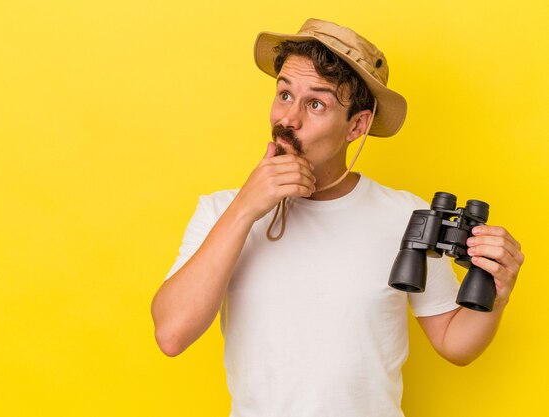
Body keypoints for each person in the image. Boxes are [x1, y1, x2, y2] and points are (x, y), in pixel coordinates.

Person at [151, 18, 525, 417]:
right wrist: (245, 208)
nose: (288, 119)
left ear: (357, 126)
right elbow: (171, 335)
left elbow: (453, 342)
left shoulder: (402, 215)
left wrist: (498, 292)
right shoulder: (220, 209)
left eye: (316, 104)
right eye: (284, 94)